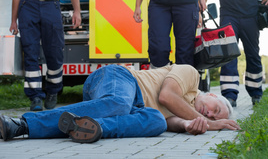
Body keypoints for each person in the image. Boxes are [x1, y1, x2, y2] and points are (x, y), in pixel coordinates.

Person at [0, 64, 240, 142]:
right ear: (211, 94)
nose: (208, 114)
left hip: (130, 108)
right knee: (118, 103)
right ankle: (21, 124)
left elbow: (172, 120)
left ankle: (91, 127)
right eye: (214, 109)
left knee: (156, 121)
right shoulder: (191, 75)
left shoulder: (189, 115)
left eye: (211, 117)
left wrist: (189, 126)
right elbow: (167, 97)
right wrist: (211, 125)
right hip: (119, 79)